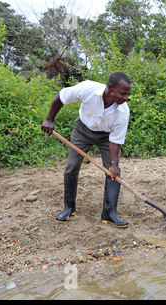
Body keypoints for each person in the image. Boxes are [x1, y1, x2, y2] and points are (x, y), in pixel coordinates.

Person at [41, 72, 132, 228]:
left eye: (128, 94)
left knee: (113, 173)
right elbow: (61, 97)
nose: (126, 98)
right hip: (82, 131)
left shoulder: (123, 111)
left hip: (106, 137)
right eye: (123, 93)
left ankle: (109, 213)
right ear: (110, 88)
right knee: (72, 167)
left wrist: (113, 164)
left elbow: (115, 141)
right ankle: (69, 207)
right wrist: (49, 119)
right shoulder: (87, 89)